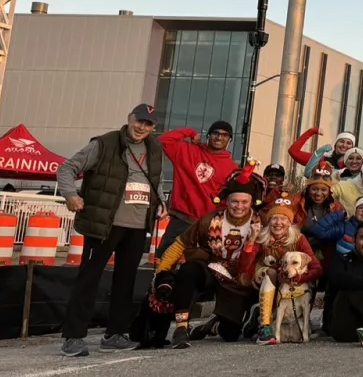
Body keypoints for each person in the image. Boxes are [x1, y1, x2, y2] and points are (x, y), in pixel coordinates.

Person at [56, 103, 165, 358]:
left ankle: (115, 335)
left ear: (153, 128)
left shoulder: (155, 149)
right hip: (104, 224)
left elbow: (155, 181)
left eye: (148, 124)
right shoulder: (104, 144)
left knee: (126, 282)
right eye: (139, 121)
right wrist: (71, 195)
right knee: (89, 279)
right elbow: (66, 169)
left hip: (138, 226)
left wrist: (161, 202)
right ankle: (73, 337)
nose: (142, 127)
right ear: (129, 119)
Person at [155, 164, 265, 348]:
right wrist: (161, 271)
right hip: (212, 268)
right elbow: (180, 244)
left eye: (244, 202)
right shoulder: (210, 219)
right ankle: (182, 327)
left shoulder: (263, 220)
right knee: (189, 270)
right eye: (235, 202)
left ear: (252, 202)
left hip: (239, 278)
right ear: (227, 201)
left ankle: (215, 322)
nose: (239, 206)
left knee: (230, 334)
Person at [243, 195, 322, 345]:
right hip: (266, 279)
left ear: (290, 222)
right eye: (274, 218)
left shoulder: (298, 238)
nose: (278, 223)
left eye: (283, 219)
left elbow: (317, 269)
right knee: (271, 273)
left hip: (291, 283)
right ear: (269, 221)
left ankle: (291, 320)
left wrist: (300, 278)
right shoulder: (261, 237)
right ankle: (265, 326)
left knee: (309, 283)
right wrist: (251, 241)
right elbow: (245, 266)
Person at [156, 120, 236, 255]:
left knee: (196, 265)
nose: (219, 137)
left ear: (229, 140)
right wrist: (190, 132)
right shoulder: (187, 150)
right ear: (208, 135)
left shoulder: (232, 168)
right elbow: (163, 139)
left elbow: (228, 199)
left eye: (224, 135)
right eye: (215, 133)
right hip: (181, 218)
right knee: (165, 260)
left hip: (207, 223)